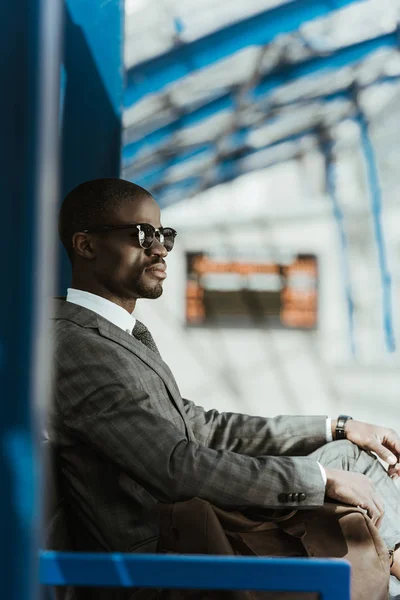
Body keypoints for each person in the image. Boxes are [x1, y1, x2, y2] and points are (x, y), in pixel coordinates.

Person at [51, 177, 400, 599]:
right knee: (344, 480)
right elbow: (175, 466)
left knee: (351, 455)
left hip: (198, 527)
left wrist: (338, 426)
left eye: (164, 234)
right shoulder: (78, 346)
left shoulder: (114, 334)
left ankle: (392, 561)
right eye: (141, 234)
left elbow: (204, 427)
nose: (159, 248)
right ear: (86, 246)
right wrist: (319, 479)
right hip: (170, 558)